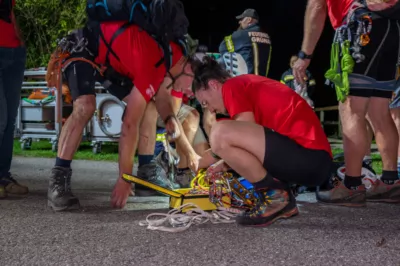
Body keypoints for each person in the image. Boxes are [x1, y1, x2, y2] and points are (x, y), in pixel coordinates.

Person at [46, 19, 200, 211]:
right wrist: (124, 178)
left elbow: (162, 101)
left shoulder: (171, 59)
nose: (190, 94)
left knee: (149, 105)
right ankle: (58, 181)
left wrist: (169, 119)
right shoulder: (154, 60)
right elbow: (129, 123)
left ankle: (146, 174)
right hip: (82, 47)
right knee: (85, 106)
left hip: (108, 59)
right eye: (192, 88)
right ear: (189, 69)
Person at [192, 57, 332, 227]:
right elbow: (251, 144)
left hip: (310, 157)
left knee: (219, 132)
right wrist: (225, 162)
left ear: (214, 84)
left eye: (205, 102)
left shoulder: (232, 86)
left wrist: (205, 160)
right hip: (312, 161)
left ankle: (275, 196)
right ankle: (281, 201)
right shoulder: (246, 86)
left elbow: (241, 136)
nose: (211, 109)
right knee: (222, 132)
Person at [293, 0, 400, 206]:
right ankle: (390, 181)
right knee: (380, 111)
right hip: (392, 28)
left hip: (362, 27)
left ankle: (351, 185)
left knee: (351, 109)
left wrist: (305, 55)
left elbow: (316, 6)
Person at [0, 0, 29, 199]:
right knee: (0, 118)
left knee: (10, 119)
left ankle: (3, 176)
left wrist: (19, 36)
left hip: (14, 51)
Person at [219, 8, 272, 77]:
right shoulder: (267, 37)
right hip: (261, 80)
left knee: (220, 60)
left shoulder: (241, 34)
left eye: (241, 19)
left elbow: (222, 48)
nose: (239, 22)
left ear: (249, 20)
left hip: (245, 81)